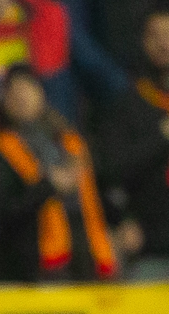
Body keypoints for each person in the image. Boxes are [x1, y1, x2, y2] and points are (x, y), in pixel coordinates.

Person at [0, 63, 114, 279]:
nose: (21, 97)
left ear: (41, 93)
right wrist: (48, 186)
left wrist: (119, 222)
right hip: (39, 259)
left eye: (27, 89)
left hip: (89, 251)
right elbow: (5, 209)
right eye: (13, 92)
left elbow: (102, 191)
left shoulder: (72, 140)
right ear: (4, 102)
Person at [99, 6, 169, 279]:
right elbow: (109, 172)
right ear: (141, 41)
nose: (164, 44)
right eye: (155, 36)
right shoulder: (129, 104)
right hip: (150, 252)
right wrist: (121, 220)